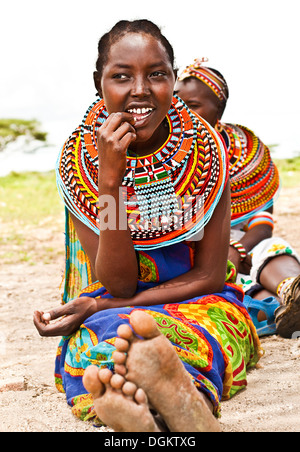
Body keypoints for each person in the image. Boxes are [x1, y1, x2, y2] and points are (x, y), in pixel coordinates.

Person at [34, 21, 261, 432]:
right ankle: (143, 399)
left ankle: (172, 395)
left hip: (200, 295)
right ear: (98, 83)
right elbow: (121, 285)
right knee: (97, 340)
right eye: (122, 76)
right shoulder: (80, 163)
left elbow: (210, 276)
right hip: (119, 296)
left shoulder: (207, 153)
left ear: (173, 80)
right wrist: (110, 181)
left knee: (204, 329)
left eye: (157, 74)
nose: (140, 89)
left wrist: (98, 304)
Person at [175, 58, 300, 339]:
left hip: (247, 245)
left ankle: (291, 289)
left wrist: (237, 249)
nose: (182, 112)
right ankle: (273, 306)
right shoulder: (165, 153)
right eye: (177, 103)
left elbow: (262, 224)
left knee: (273, 248)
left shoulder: (247, 151)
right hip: (191, 247)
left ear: (218, 109)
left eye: (192, 105)